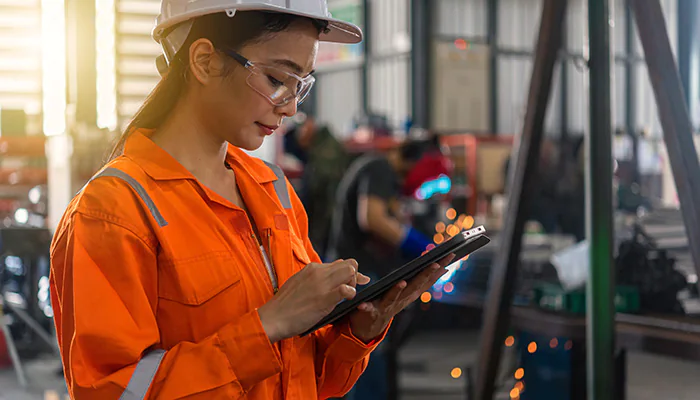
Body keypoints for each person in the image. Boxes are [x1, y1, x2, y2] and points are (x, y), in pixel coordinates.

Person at [48, 2, 455, 399]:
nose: (292, 106)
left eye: (301, 85)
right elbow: (113, 392)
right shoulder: (112, 214)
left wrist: (354, 334)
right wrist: (265, 327)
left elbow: (308, 376)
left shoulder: (271, 190)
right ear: (204, 61)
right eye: (278, 79)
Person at [325, 139, 436, 400]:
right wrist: (416, 244)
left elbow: (392, 213)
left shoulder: (380, 172)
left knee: (371, 349)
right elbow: (372, 218)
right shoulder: (379, 168)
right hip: (360, 275)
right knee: (365, 354)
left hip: (363, 272)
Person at [283, 114, 349, 254]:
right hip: (324, 215)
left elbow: (318, 190)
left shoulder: (325, 154)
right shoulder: (321, 146)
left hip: (325, 218)